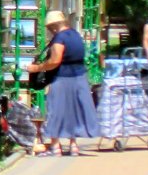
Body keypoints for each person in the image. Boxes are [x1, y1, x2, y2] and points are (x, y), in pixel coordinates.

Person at [27, 10, 99, 156]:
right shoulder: (75, 35)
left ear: (52, 27)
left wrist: (37, 68)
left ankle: (55, 147)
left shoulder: (59, 38)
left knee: (56, 111)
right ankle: (73, 146)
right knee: (72, 112)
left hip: (62, 79)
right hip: (79, 78)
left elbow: (55, 61)